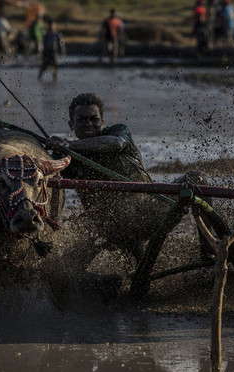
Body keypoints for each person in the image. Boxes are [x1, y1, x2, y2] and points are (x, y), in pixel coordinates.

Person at [44, 93, 213, 268]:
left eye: (94, 119)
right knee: (64, 268)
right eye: (82, 120)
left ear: (102, 122)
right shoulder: (68, 158)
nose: (88, 124)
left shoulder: (118, 132)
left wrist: (70, 145)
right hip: (111, 227)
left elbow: (116, 143)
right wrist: (53, 150)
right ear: (71, 124)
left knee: (195, 178)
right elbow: (47, 173)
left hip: (150, 209)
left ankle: (209, 251)